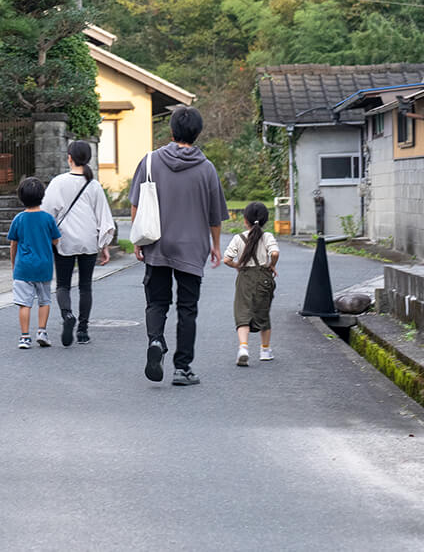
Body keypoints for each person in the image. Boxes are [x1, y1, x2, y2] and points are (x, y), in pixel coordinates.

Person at [129, 106, 228, 386]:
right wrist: (216, 245)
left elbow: (136, 204)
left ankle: (156, 341)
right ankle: (182, 369)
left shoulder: (150, 161)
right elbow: (215, 216)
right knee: (187, 309)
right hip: (192, 248)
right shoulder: (207, 169)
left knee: (157, 302)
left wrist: (138, 240)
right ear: (197, 133)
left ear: (172, 131)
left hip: (157, 243)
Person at [43, 141, 116, 346]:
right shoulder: (94, 185)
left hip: (63, 239)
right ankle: (83, 331)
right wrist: (104, 245)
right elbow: (103, 218)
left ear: (69, 158)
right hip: (88, 240)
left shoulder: (58, 182)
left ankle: (67, 315)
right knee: (85, 287)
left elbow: (47, 213)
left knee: (63, 285)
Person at [222, 201, 279, 366]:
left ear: (245, 220)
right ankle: (265, 350)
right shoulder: (267, 237)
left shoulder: (238, 238)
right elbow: (274, 253)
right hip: (264, 277)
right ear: (265, 220)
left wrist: (237, 266)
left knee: (242, 313)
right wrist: (272, 265)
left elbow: (226, 259)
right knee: (263, 312)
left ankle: (243, 347)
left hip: (245, 277)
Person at [7, 177, 61, 349]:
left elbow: (13, 244)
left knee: (24, 303)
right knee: (44, 301)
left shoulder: (19, 219)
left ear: (21, 197)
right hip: (44, 266)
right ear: (42, 196)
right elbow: (56, 241)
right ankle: (42, 332)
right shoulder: (48, 218)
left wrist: (14, 264)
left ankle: (24, 337)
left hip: (23, 267)